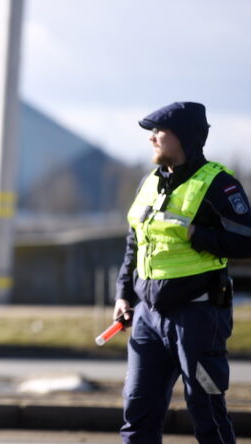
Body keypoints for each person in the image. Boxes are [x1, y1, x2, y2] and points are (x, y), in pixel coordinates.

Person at [113, 102, 251, 443]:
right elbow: (136, 243)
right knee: (137, 412)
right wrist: (123, 294)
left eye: (160, 132)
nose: (152, 139)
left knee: (206, 411)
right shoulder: (148, 182)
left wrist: (197, 235)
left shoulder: (219, 184)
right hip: (147, 317)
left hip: (198, 316)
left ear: (185, 138)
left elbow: (247, 243)